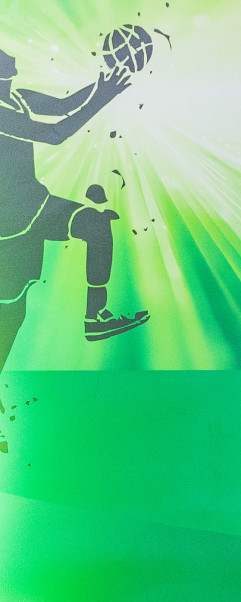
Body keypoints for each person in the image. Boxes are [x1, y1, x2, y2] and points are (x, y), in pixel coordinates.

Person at [0, 49, 148, 375]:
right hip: (9, 226)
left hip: (36, 204)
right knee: (12, 311)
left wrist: (104, 82)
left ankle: (95, 317)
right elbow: (54, 134)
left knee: (96, 225)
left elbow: (62, 107)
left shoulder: (18, 98)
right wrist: (104, 95)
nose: (10, 56)